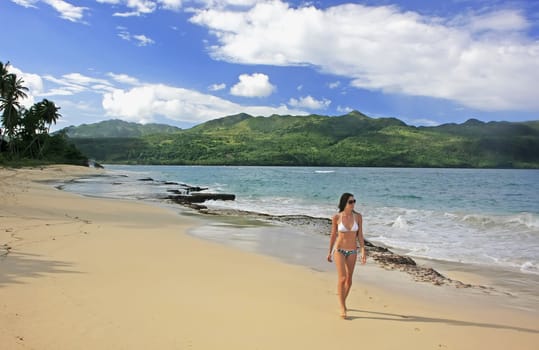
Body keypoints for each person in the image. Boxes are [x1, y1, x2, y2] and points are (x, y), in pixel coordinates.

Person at [326, 192, 367, 318]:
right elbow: (333, 235)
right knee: (342, 278)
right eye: (350, 202)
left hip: (352, 251)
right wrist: (329, 252)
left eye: (354, 201)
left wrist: (363, 250)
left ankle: (342, 301)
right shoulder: (336, 217)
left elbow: (360, 235)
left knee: (349, 280)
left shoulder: (358, 217)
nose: (353, 204)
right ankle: (343, 307)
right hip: (339, 250)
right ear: (344, 203)